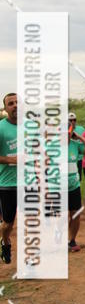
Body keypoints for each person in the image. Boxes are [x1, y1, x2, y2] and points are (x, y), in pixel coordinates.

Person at [67, 123, 85, 252]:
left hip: (73, 187)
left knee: (75, 214)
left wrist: (80, 137)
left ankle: (71, 241)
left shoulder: (75, 145)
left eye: (68, 132)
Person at [0, 93, 18, 265]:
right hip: (8, 183)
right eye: (11, 103)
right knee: (7, 223)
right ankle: (5, 242)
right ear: (5, 108)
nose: (15, 105)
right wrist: (12, 159)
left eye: (17, 102)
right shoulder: (1, 128)